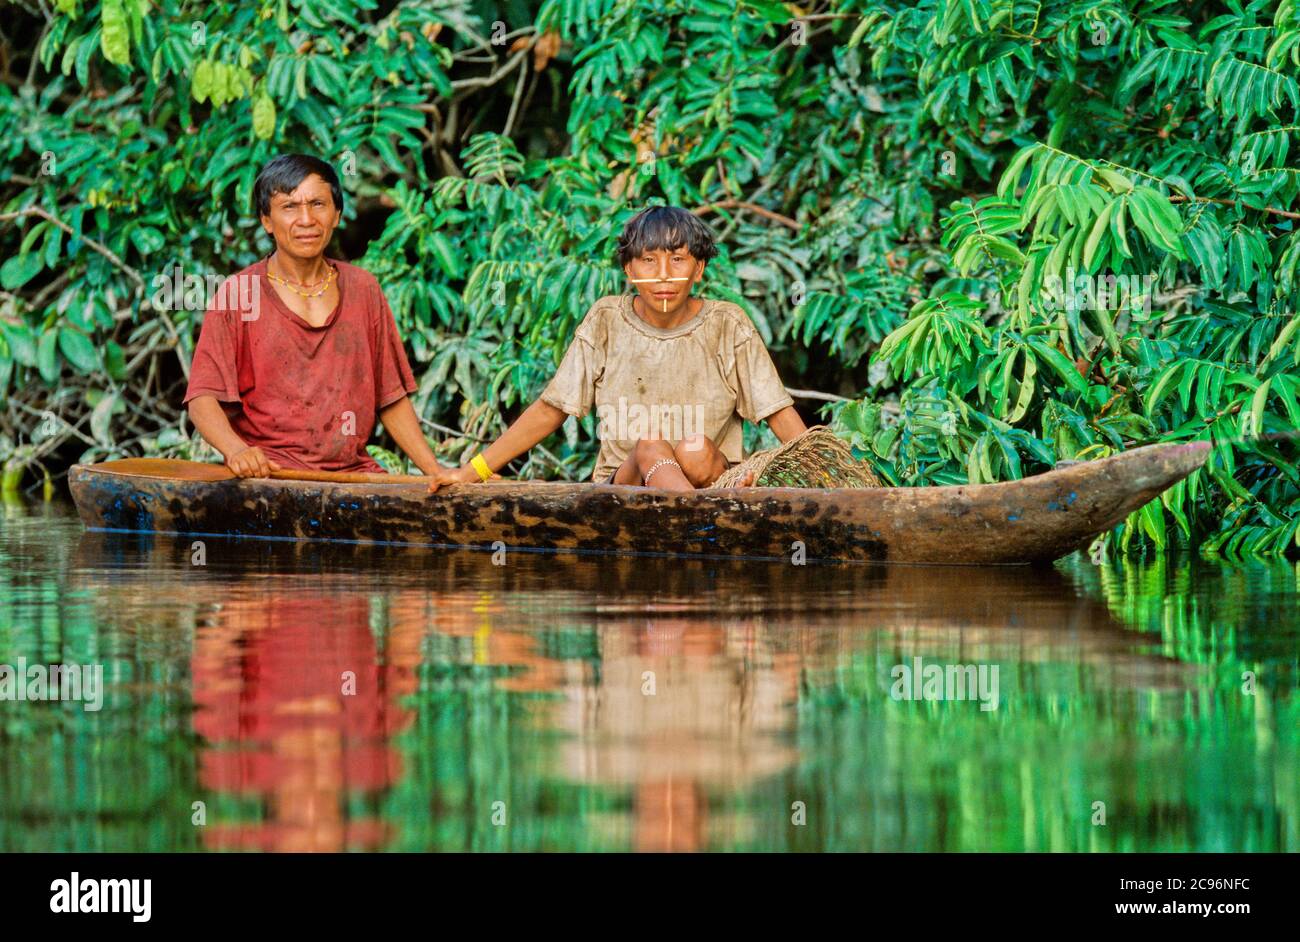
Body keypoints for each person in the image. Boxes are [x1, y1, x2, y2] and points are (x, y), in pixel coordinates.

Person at [428, 206, 806, 492]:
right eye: (648, 261)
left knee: (693, 448)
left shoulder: (728, 323)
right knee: (650, 447)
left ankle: (697, 510)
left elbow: (777, 410)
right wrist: (471, 472)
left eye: (677, 259)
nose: (663, 274)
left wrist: (823, 480)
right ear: (629, 270)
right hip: (624, 486)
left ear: (699, 269)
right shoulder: (607, 319)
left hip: (712, 482)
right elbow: (551, 408)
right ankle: (700, 518)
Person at [184, 154, 443, 478]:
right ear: (266, 220)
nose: (306, 219)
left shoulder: (363, 289)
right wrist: (236, 451)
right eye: (290, 207)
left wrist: (435, 471)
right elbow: (202, 398)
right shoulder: (238, 293)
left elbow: (390, 397)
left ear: (336, 215)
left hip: (353, 475)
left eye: (318, 204)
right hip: (270, 478)